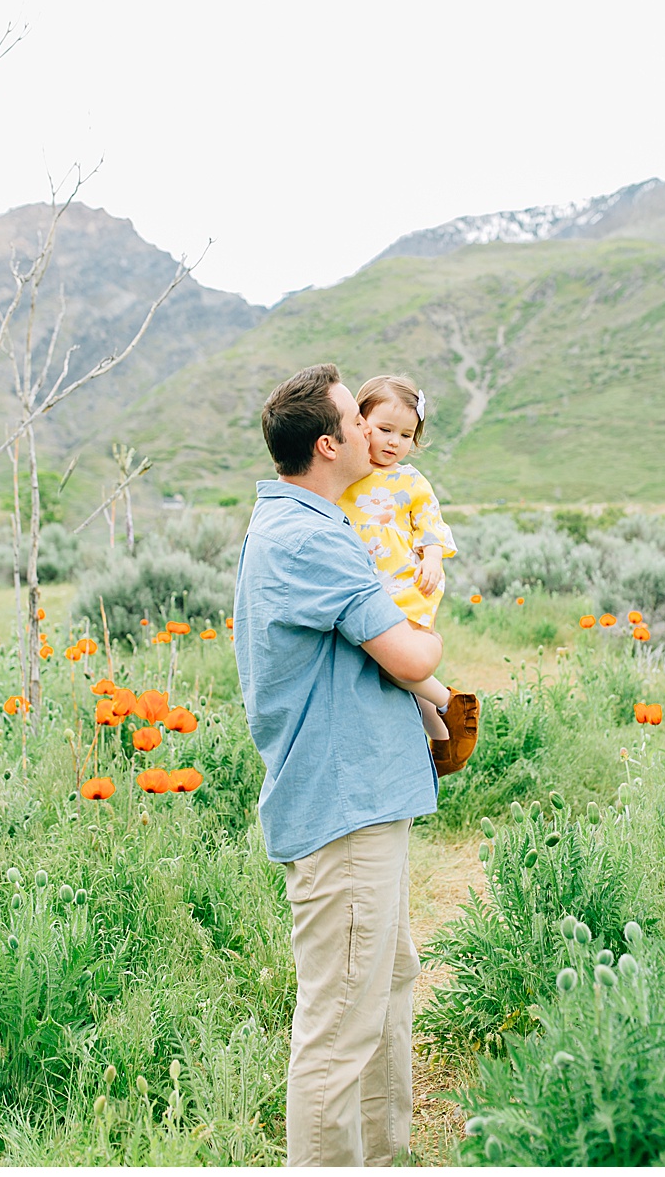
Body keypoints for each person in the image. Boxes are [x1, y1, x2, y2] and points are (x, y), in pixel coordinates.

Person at [233, 362, 461, 1165]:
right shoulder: (308, 542)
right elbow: (407, 652)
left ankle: (383, 1157)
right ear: (330, 444)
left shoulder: (320, 524)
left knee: (387, 987)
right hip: (344, 806)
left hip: (364, 796)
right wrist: (431, 652)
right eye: (357, 421)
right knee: (340, 1026)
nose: (376, 429)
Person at [336, 374, 466, 748]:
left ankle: (449, 707)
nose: (394, 441)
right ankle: (444, 736)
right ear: (361, 424)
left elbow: (431, 525)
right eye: (385, 429)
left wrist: (434, 559)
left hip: (405, 582)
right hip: (365, 582)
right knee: (384, 662)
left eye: (406, 435)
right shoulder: (349, 470)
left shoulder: (411, 481)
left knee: (393, 660)